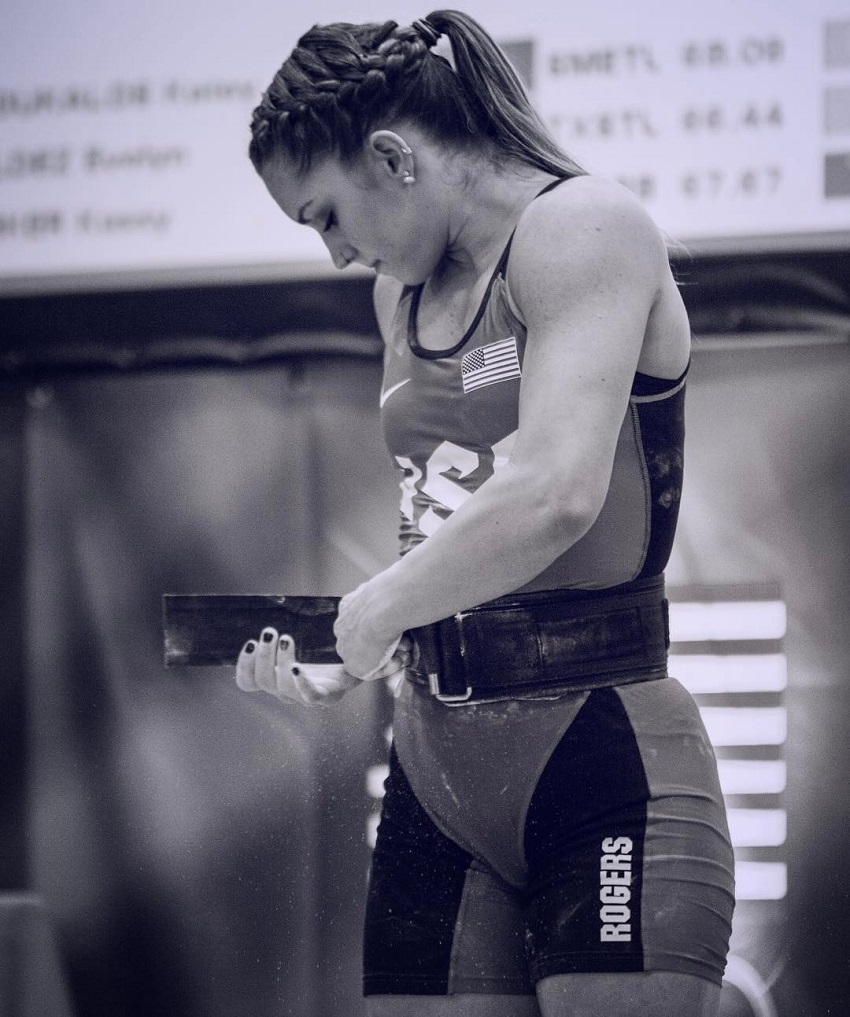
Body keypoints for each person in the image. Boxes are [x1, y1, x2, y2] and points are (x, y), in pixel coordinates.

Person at [235, 10, 735, 1016]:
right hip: (435, 768)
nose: (333, 253)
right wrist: (356, 647)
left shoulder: (581, 226)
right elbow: (443, 504)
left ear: (391, 156)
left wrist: (372, 612)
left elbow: (554, 493)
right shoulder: (399, 298)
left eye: (325, 215)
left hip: (601, 756)